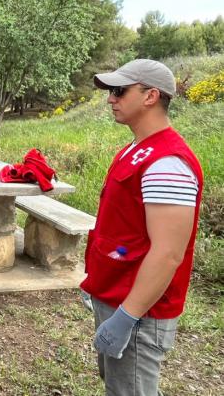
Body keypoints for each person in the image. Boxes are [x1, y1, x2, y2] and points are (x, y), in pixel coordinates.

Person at [81, 59, 203, 396]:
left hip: (138, 313)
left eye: (119, 91)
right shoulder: (138, 149)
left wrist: (126, 316)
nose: (110, 99)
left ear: (150, 96)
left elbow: (167, 254)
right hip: (117, 295)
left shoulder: (167, 163)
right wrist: (97, 282)